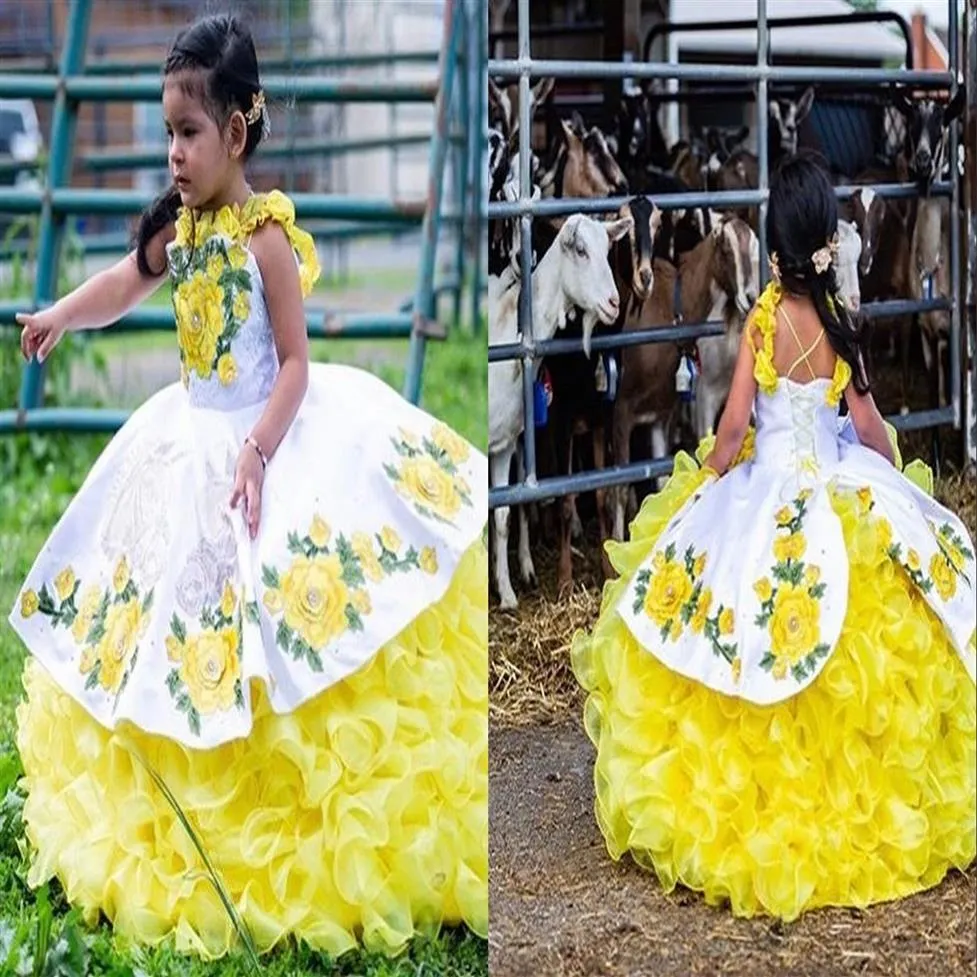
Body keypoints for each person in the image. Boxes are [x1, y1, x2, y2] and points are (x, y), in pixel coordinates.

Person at [8, 13, 487, 960]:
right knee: (164, 614)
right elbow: (124, 281)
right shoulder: (177, 230)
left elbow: (299, 362)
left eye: (189, 133)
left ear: (237, 130)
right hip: (186, 438)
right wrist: (62, 313)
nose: (174, 154)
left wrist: (262, 447)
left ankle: (297, 807)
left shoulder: (266, 237)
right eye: (167, 133)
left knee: (284, 613)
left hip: (269, 434)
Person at [571, 151, 975, 921]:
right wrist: (891, 480)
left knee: (736, 611)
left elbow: (727, 432)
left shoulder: (761, 321)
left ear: (774, 243)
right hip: (833, 479)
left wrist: (709, 481)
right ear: (825, 239)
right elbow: (865, 426)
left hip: (770, 487)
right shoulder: (840, 322)